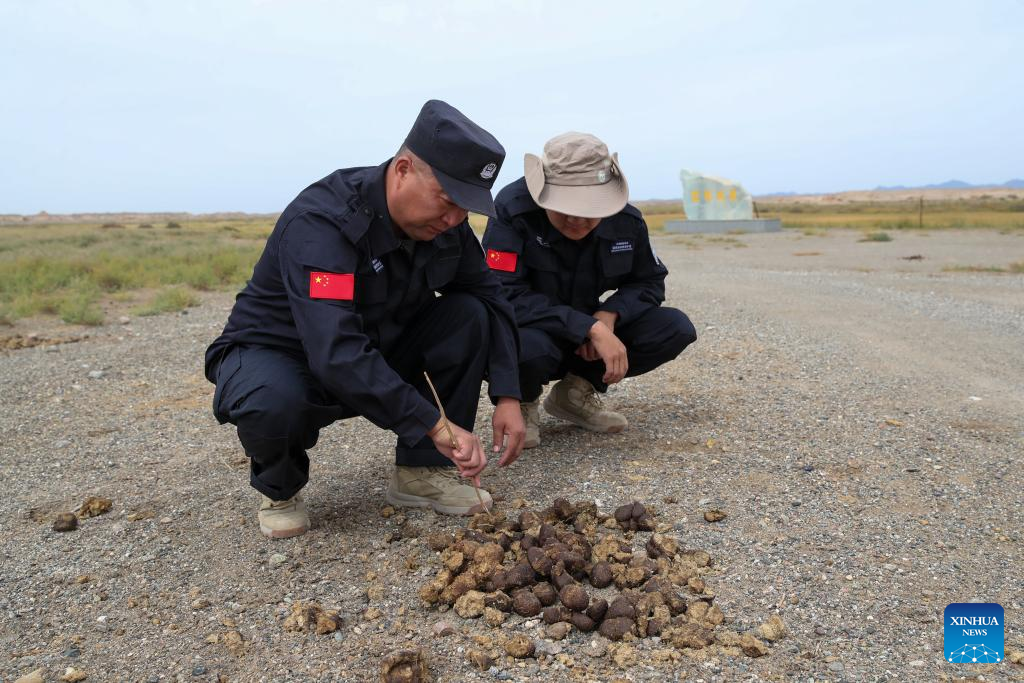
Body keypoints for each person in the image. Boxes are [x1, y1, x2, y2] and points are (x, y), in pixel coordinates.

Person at [204, 100, 525, 538]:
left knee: (468, 313)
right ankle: (280, 487)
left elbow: (490, 296)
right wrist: (433, 423)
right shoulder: (323, 221)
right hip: (286, 355)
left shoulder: (446, 226)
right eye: (448, 200)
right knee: (272, 398)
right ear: (404, 169)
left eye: (465, 208)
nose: (454, 219)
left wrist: (508, 393)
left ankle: (421, 474)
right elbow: (334, 349)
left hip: (372, 349)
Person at [482, 132, 696, 449]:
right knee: (522, 346)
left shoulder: (627, 221)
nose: (575, 219)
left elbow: (649, 281)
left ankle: (573, 394)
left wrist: (609, 315)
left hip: (589, 330)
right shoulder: (513, 210)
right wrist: (588, 327)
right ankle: (523, 402)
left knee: (673, 327)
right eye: (564, 207)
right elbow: (502, 293)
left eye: (588, 210)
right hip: (534, 329)